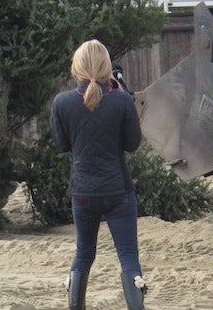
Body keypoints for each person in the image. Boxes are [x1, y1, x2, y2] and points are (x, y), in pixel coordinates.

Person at [51, 39, 147, 310]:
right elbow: (132, 144)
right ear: (107, 68)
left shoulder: (62, 103)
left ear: (76, 68)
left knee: (83, 254)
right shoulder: (121, 101)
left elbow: (62, 146)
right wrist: (123, 96)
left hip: (82, 192)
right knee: (128, 255)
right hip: (118, 191)